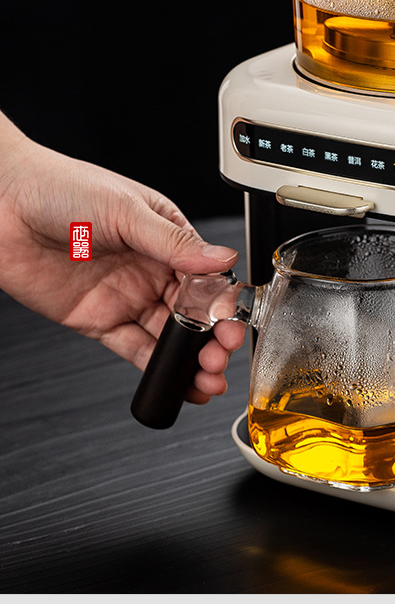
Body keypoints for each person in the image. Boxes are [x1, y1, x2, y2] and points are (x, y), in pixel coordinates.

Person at [0, 109, 246, 405]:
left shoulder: (81, 242)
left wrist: (12, 185)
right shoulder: (80, 235)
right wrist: (11, 183)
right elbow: (80, 239)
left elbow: (81, 245)